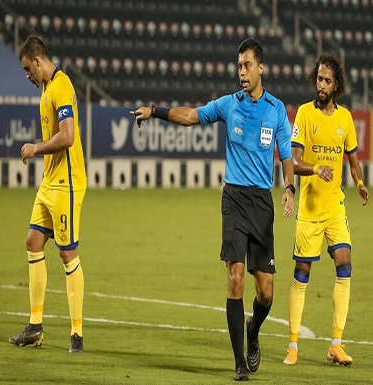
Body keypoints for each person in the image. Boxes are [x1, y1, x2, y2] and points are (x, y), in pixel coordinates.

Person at [133, 38, 295, 381]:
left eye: (247, 65)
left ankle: (253, 332)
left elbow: (285, 156)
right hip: (233, 199)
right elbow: (191, 116)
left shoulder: (276, 109)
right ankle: (239, 362)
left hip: (262, 203)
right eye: (238, 66)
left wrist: (290, 188)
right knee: (235, 278)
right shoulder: (228, 104)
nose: (242, 72)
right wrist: (156, 111)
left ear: (261, 67)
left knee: (265, 293)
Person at [283, 54, 369, 366]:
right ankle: (293, 345)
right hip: (308, 208)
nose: (321, 85)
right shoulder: (304, 114)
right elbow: (293, 160)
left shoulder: (345, 119)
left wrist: (359, 183)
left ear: (337, 85)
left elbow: (354, 162)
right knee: (302, 274)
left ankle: (336, 343)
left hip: (334, 205)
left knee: (344, 264)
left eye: (327, 80)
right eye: (319, 79)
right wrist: (315, 169)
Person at [9, 35, 87, 353]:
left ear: (38, 61)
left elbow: (67, 137)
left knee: (67, 254)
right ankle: (35, 327)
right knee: (32, 242)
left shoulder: (61, 86)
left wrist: (35, 147)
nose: (27, 75)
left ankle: (77, 335)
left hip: (66, 184)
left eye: (28, 68)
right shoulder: (45, 89)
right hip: (49, 183)